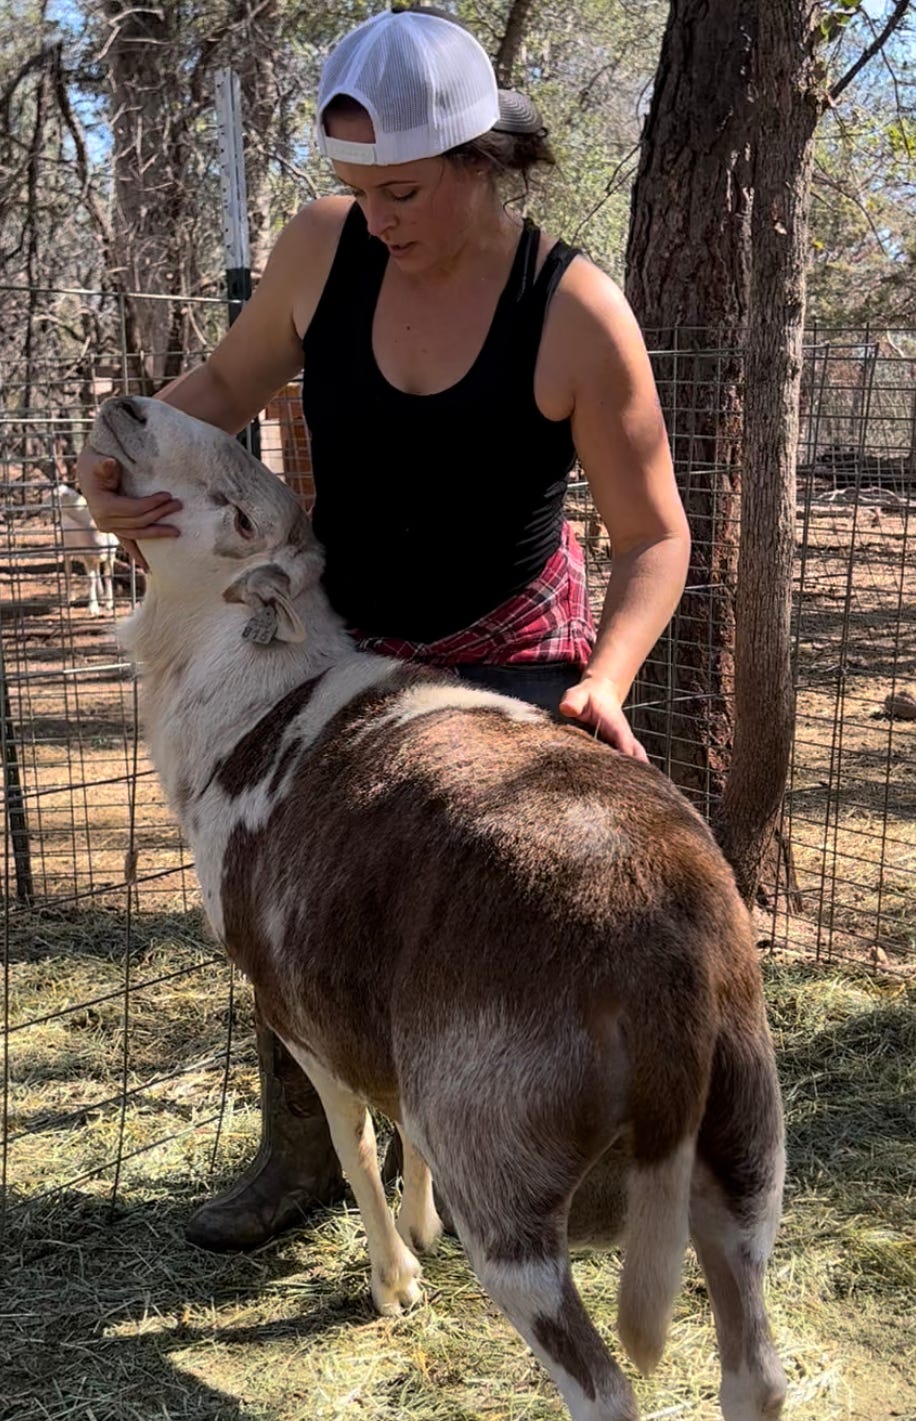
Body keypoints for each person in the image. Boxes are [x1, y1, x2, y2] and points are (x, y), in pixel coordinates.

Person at [76, 5, 691, 1252]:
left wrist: (607, 677)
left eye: (401, 189)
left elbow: (658, 535)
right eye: (356, 188)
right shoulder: (321, 249)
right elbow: (223, 391)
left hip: (506, 652)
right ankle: (301, 1159)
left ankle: (495, 1171)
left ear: (479, 160)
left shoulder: (573, 310)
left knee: (474, 931)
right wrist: (121, 460)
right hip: (337, 640)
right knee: (286, 889)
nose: (377, 216)